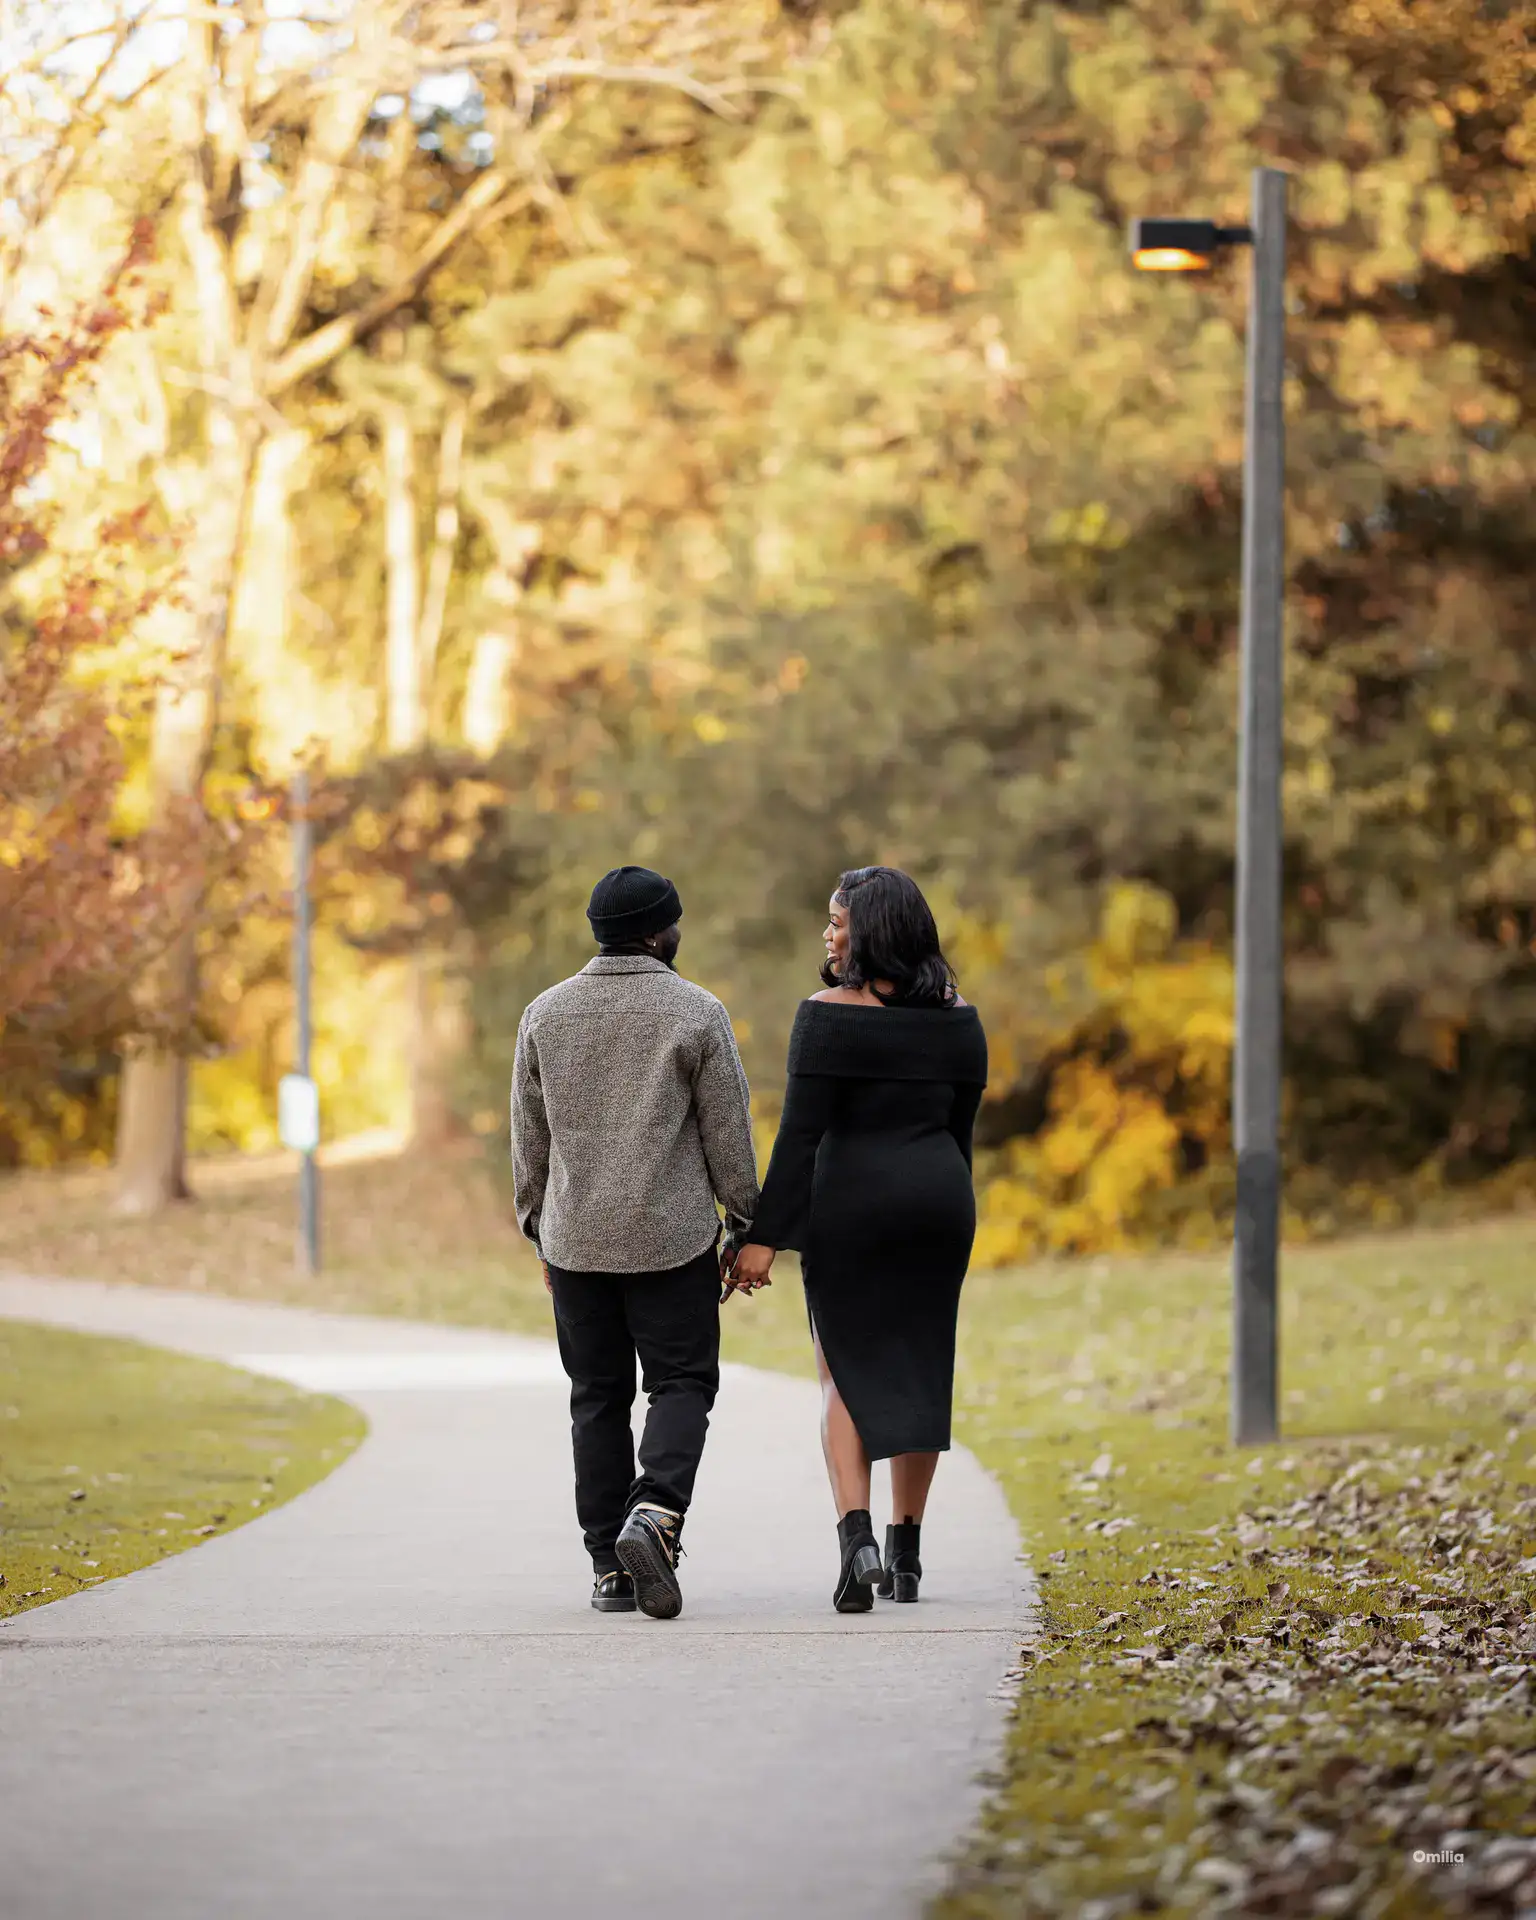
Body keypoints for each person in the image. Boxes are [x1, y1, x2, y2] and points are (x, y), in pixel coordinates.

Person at [727, 867, 987, 1614]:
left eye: (838, 922)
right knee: (922, 1369)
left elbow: (801, 1139)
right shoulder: (959, 1019)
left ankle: (858, 1542)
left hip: (852, 1209)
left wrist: (762, 1240)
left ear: (872, 931)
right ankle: (908, 1557)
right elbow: (960, 1134)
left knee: (841, 1374)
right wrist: (947, 1211)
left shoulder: (826, 1014)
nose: (828, 934)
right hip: (939, 1207)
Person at [511, 865, 764, 1620]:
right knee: (682, 1384)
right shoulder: (696, 1011)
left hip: (576, 1241)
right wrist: (747, 1222)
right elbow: (729, 1133)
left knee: (596, 1398)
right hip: (672, 1239)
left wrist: (539, 1231)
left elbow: (530, 1140)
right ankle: (654, 1514)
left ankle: (607, 1569)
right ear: (661, 932)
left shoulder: (544, 1014)